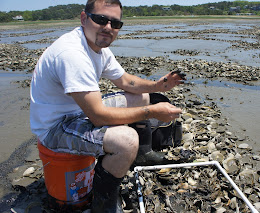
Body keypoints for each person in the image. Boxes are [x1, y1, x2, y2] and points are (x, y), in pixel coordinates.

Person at [30, 0, 184, 212]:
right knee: (126, 141)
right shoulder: (72, 54)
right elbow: (98, 117)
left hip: (79, 111)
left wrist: (159, 85)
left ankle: (142, 154)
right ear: (84, 18)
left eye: (115, 23)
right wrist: (153, 112)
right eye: (101, 19)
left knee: (142, 97)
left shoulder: (97, 47)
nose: (108, 27)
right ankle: (104, 203)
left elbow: (126, 81)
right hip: (55, 127)